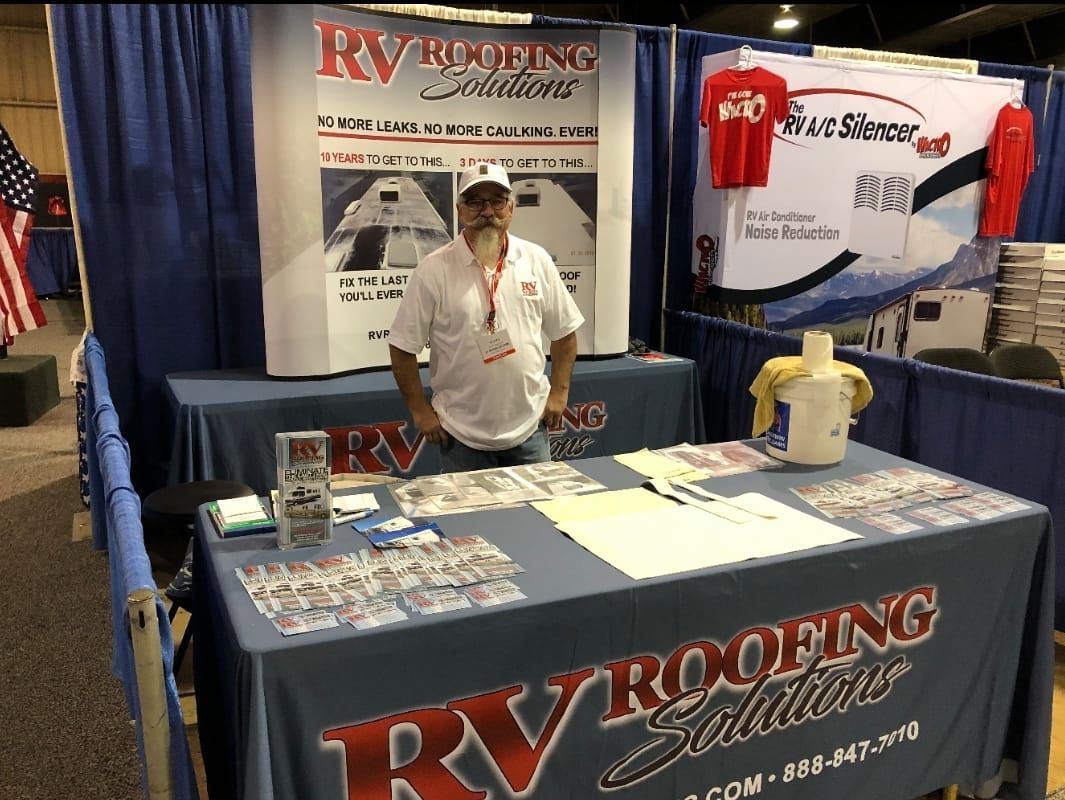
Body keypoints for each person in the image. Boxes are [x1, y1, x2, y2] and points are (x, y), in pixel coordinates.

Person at [388, 162, 583, 472]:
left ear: (511, 207)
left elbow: (565, 333)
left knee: (535, 517)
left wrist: (559, 393)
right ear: (460, 210)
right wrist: (420, 411)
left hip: (530, 429)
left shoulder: (536, 260)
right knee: (467, 521)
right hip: (461, 436)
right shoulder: (433, 270)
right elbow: (401, 347)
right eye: (475, 202)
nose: (487, 211)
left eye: (496, 201)